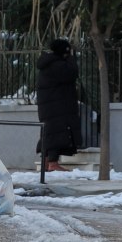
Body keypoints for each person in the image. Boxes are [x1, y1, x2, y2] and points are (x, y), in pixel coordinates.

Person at [35, 38, 80, 172]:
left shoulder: (49, 64)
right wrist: (72, 58)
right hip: (56, 106)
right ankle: (53, 163)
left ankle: (47, 162)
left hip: (50, 105)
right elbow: (72, 73)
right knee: (55, 133)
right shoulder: (57, 65)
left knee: (50, 133)